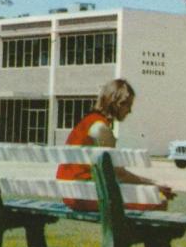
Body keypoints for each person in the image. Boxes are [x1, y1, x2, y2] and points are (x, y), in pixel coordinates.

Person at [57, 78, 174, 211]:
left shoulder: (88, 122)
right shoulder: (101, 129)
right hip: (84, 195)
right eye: (128, 105)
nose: (129, 111)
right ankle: (127, 233)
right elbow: (119, 174)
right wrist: (153, 184)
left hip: (70, 193)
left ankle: (129, 232)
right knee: (158, 200)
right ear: (117, 103)